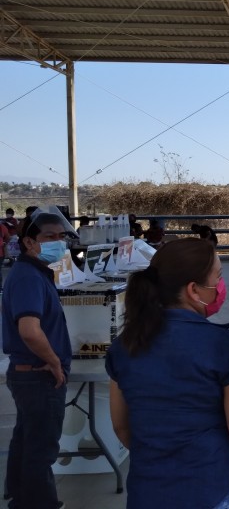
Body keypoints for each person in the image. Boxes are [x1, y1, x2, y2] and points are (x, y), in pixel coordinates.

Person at [105, 238, 229, 509]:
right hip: (211, 487)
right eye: (218, 277)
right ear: (194, 290)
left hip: (147, 492)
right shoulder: (221, 344)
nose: (221, 286)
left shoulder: (125, 345)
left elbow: (121, 426)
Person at [2, 207, 77, 509]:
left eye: (61, 237)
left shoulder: (33, 273)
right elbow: (30, 330)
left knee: (26, 442)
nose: (58, 243)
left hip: (30, 374)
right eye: (49, 237)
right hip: (38, 375)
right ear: (29, 243)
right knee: (40, 452)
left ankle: (19, 500)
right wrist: (55, 361)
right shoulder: (29, 277)